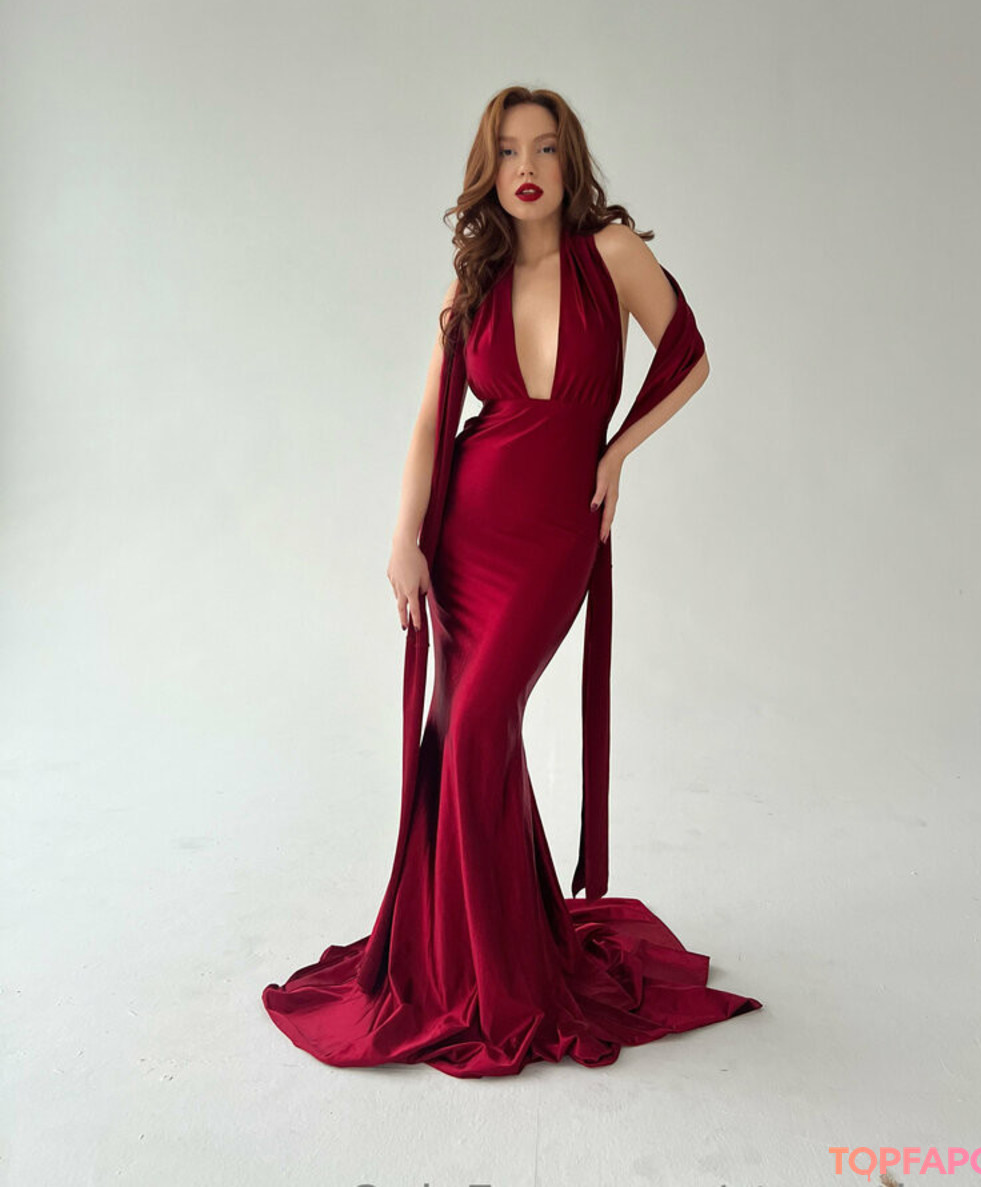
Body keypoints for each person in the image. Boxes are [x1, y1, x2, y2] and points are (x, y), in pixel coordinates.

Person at [261, 86, 763, 1078]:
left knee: (480, 724)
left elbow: (691, 357)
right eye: (506, 151)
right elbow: (430, 419)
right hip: (467, 529)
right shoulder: (476, 280)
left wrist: (618, 450)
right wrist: (405, 538)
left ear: (570, 161)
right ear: (487, 170)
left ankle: (499, 966)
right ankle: (471, 956)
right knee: (460, 734)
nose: (526, 167)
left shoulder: (611, 254)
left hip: (555, 533)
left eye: (544, 148)